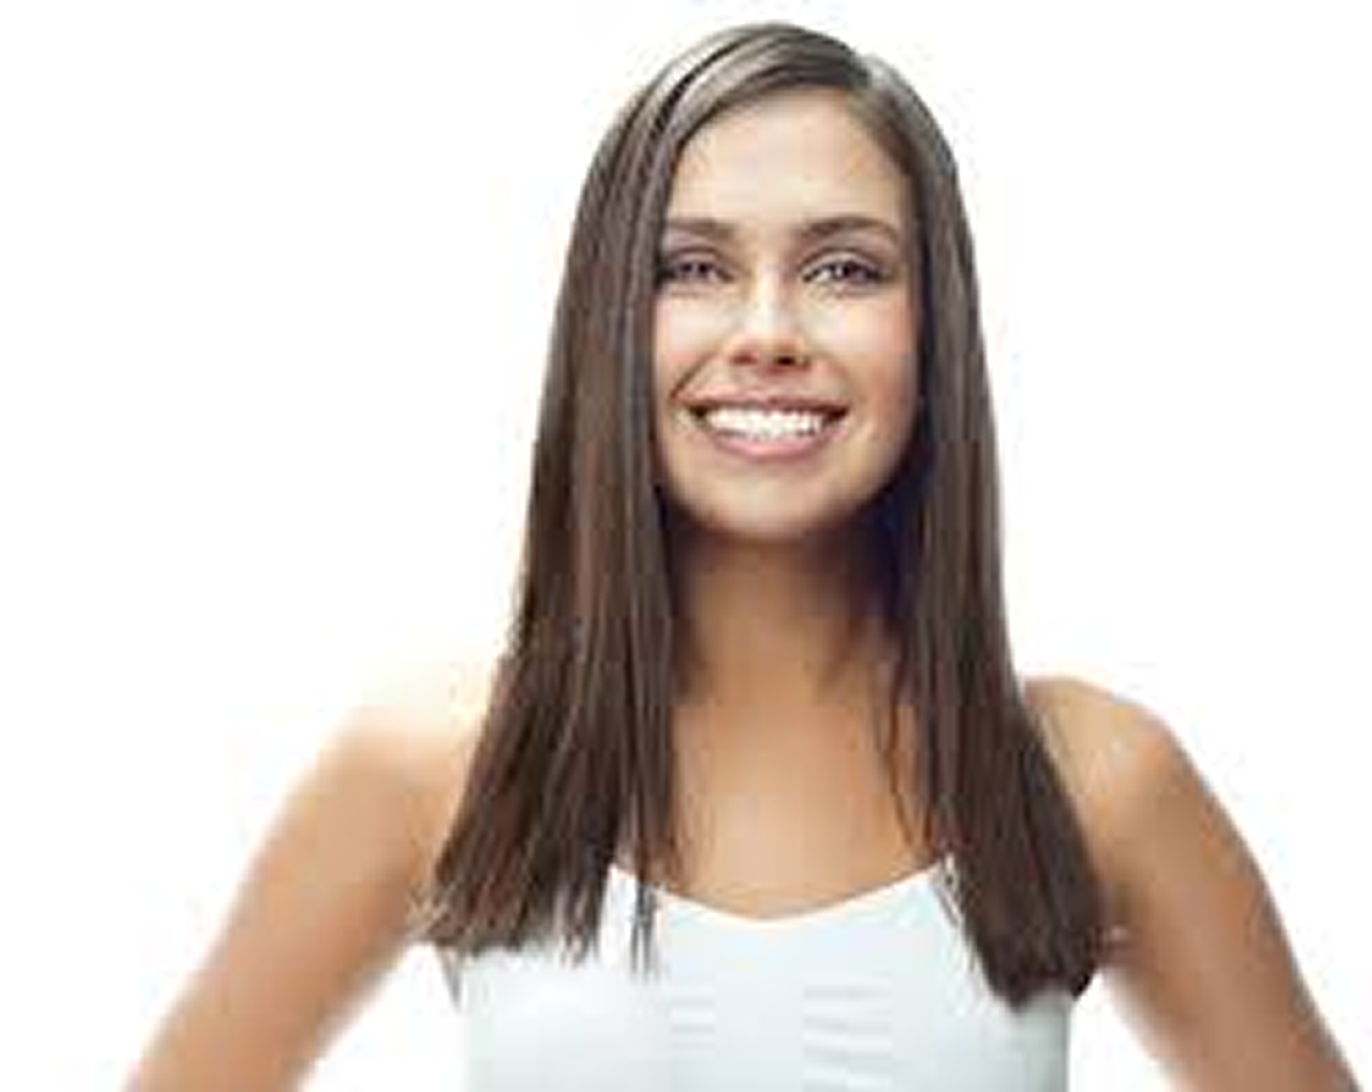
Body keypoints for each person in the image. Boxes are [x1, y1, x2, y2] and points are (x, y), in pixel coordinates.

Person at [127, 21, 1357, 1091]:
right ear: (610, 323)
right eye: (694, 269)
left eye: (843, 269)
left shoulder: (1094, 780)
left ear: (933, 330)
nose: (768, 331)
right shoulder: (438, 763)